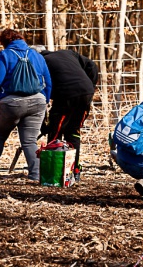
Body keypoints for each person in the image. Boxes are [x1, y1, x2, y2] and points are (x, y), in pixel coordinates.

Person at [0, 29, 52, 181]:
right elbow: (47, 81)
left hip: (10, 104)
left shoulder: (5, 55)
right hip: (37, 102)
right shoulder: (37, 55)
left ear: (4, 42)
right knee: (29, 141)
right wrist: (45, 100)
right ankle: (36, 175)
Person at [30, 46, 98, 182]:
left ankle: (53, 173)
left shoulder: (40, 62)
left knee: (55, 132)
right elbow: (92, 65)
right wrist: (91, 84)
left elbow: (40, 93)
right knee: (73, 132)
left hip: (66, 94)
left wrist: (44, 123)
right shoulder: (68, 53)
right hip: (87, 92)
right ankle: (75, 171)